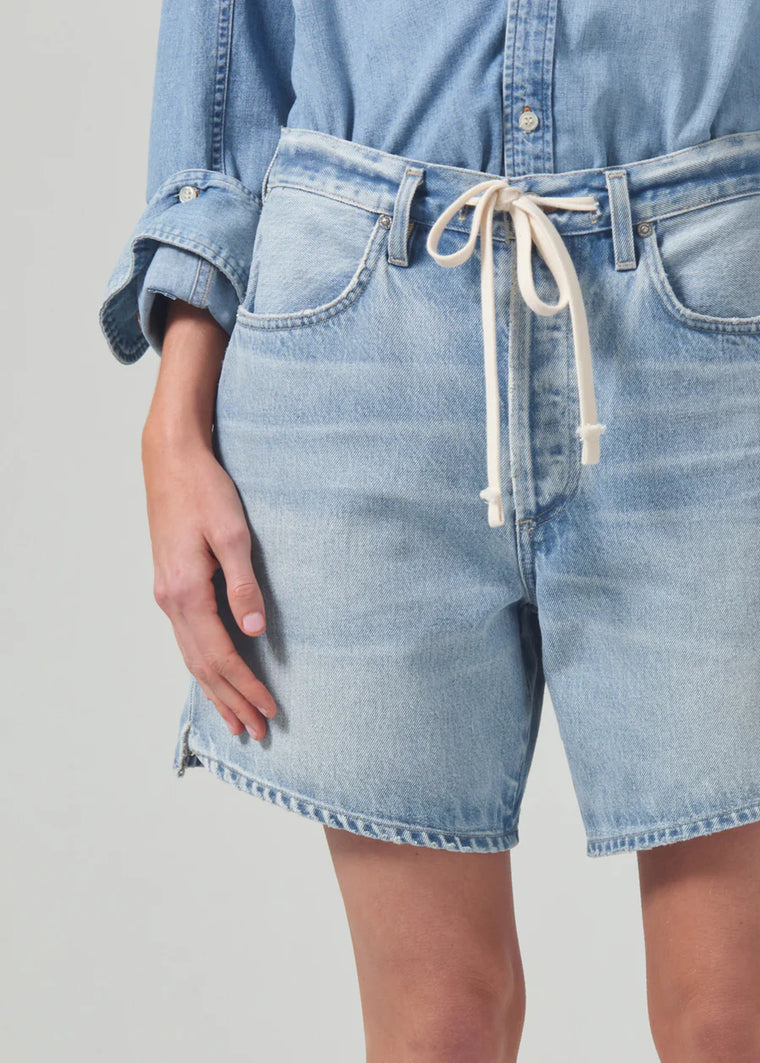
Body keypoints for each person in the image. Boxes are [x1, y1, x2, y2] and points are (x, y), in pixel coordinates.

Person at [98, 3, 760, 1060]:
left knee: (731, 1021)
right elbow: (228, 64)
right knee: (438, 1026)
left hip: (714, 316)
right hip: (363, 336)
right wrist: (173, 422)